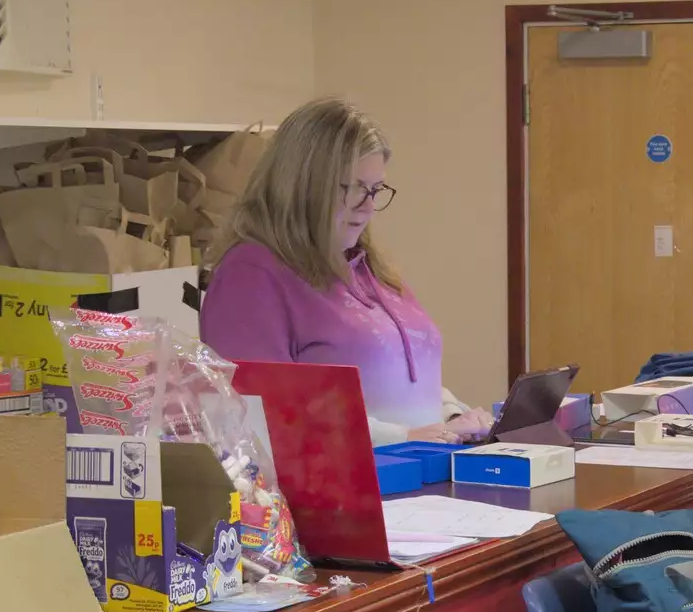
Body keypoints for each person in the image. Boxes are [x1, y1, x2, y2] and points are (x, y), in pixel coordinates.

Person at [199, 98, 492, 445]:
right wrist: (405, 437)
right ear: (303, 184)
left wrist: (452, 415)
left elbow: (406, 380)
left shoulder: (368, 267)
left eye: (374, 190)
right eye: (352, 188)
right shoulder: (251, 273)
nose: (367, 207)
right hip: (343, 488)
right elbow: (259, 415)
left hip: (420, 478)